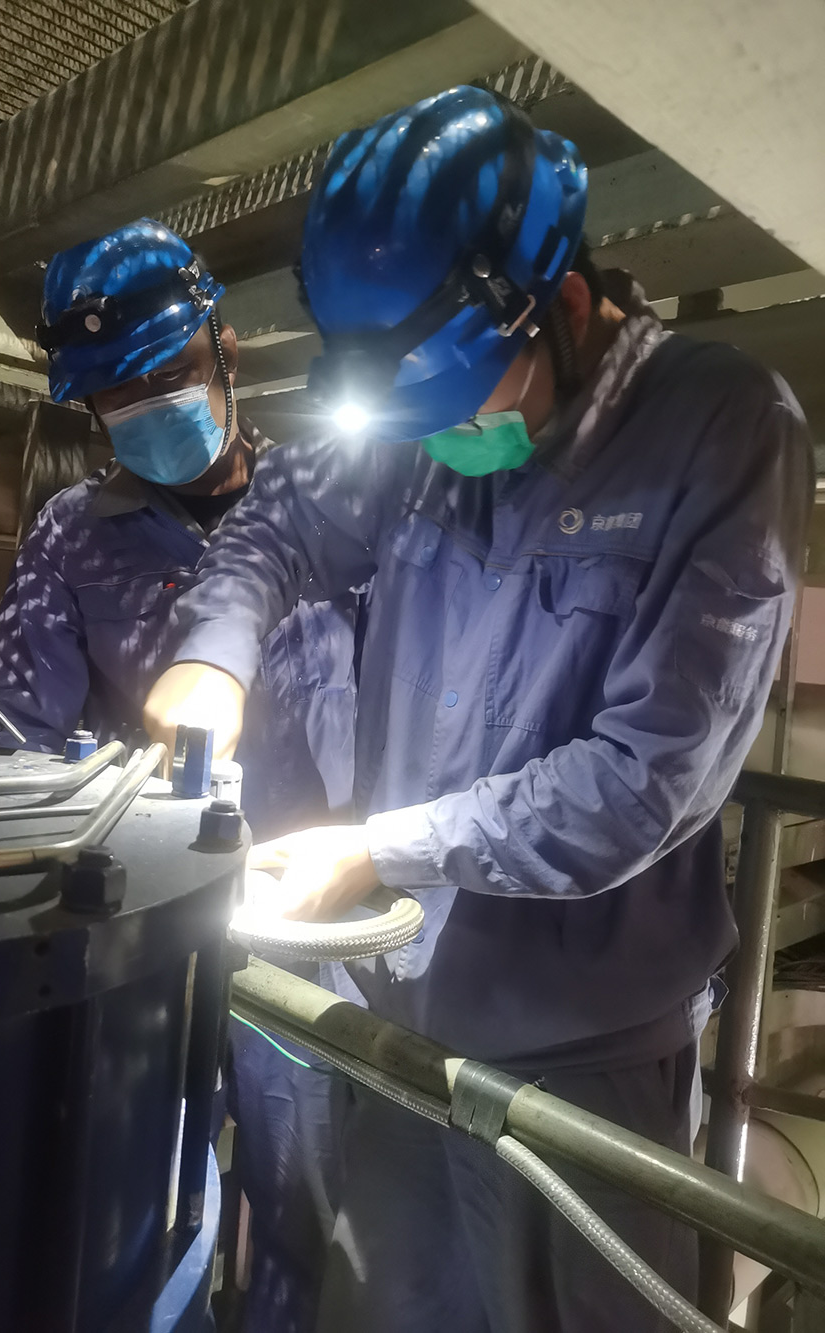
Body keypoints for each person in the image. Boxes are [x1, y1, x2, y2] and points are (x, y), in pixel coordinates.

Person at [142, 88, 812, 1332]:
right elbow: (278, 522)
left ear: (567, 307)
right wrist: (215, 657)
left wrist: (379, 846)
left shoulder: (722, 429)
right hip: (401, 1023)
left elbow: (645, 782)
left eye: (455, 407)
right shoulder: (416, 413)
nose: (436, 441)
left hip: (582, 1059)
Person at [0, 219, 355, 1332]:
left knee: (306, 1207)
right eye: (116, 396)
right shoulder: (72, 537)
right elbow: (10, 740)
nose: (147, 408)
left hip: (309, 931)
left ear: (224, 347)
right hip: (144, 939)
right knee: (127, 1208)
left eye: (168, 374)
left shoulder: (332, 512)